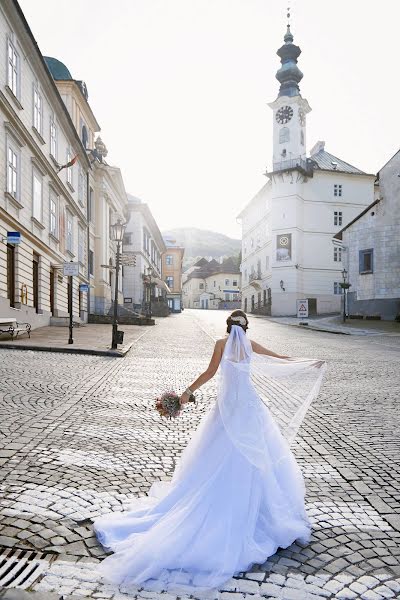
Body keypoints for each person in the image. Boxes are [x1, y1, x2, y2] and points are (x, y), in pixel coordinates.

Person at [93, 310, 326, 593]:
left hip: (227, 407)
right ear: (246, 328)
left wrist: (185, 393)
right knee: (256, 455)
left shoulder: (220, 344)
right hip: (249, 407)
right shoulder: (250, 345)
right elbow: (280, 358)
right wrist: (308, 363)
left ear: (228, 328)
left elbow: (209, 373)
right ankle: (257, 505)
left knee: (216, 453)